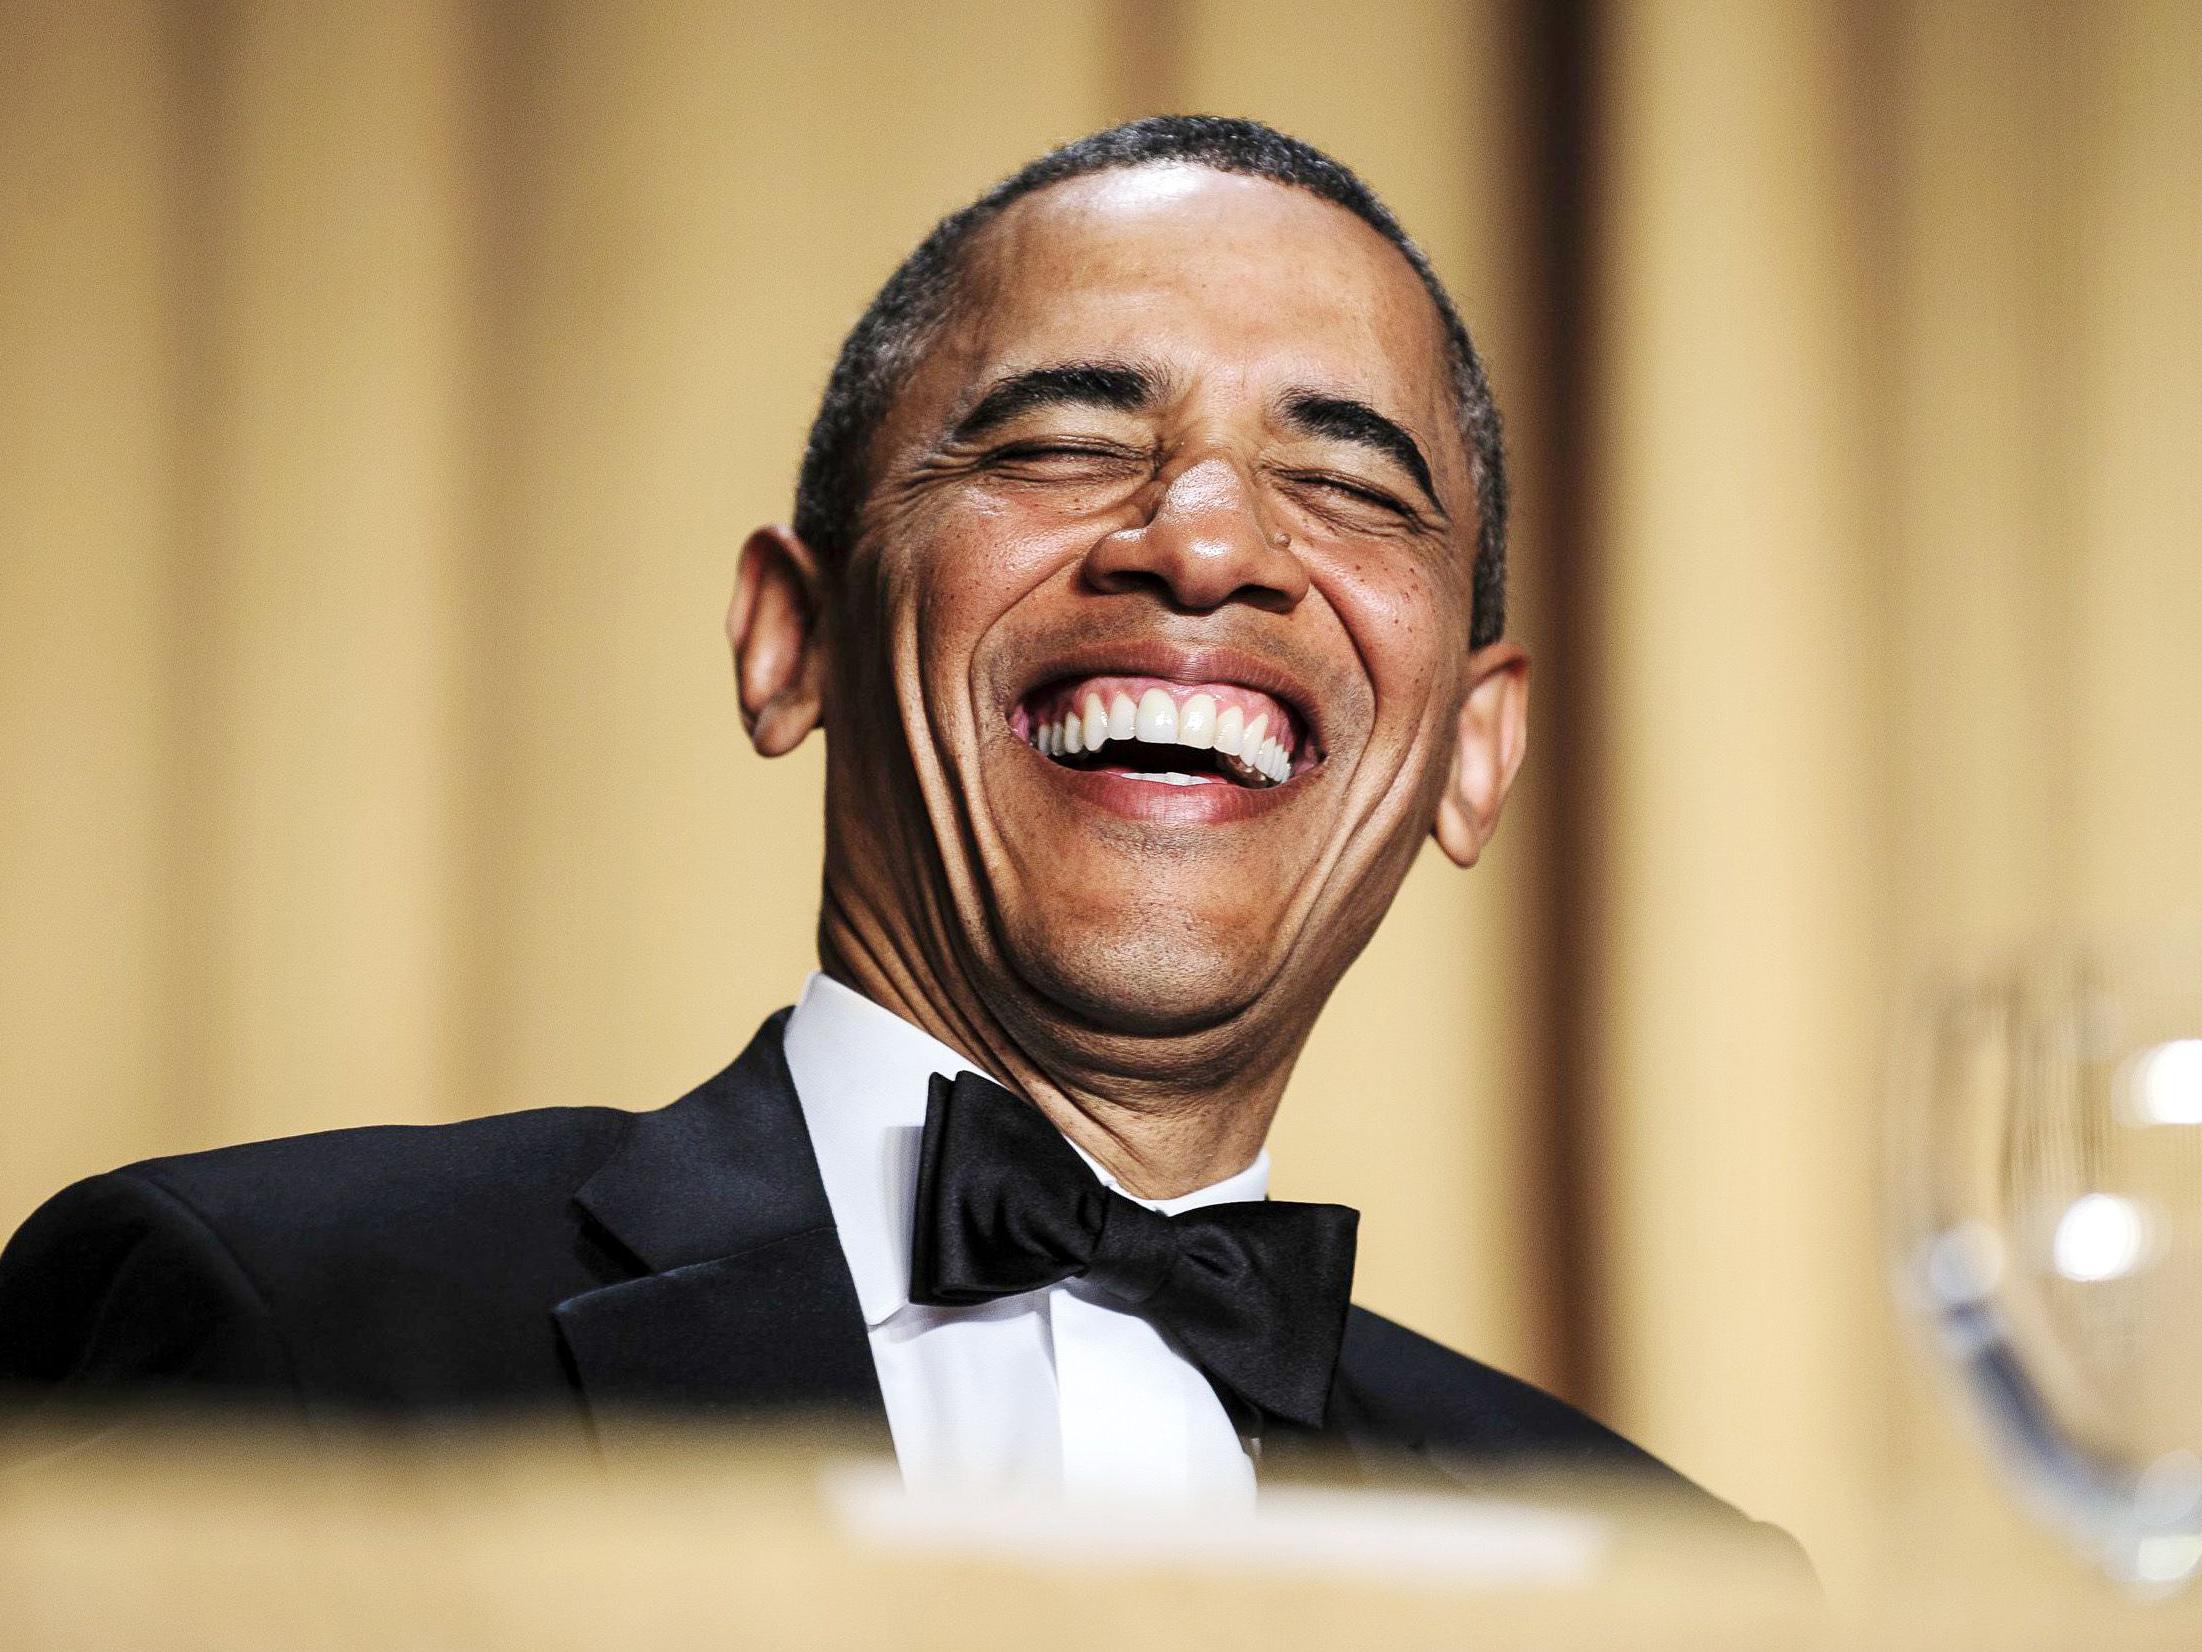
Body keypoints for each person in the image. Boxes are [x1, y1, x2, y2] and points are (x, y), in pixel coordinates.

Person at [0, 116, 1787, 1552]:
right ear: (791, 643)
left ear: (1474, 751)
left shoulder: (1654, 1576)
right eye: (1062, 442)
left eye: (1341, 482)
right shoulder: (269, 1325)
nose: (1204, 542)